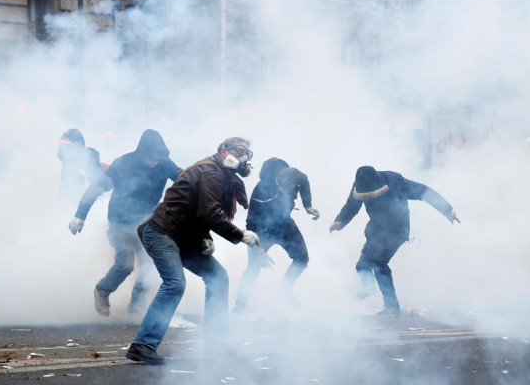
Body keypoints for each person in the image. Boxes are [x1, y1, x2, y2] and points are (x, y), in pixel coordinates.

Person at [126, 137, 260, 365]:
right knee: (175, 284)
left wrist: (204, 237)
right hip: (162, 233)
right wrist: (240, 235)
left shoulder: (220, 174)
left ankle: (215, 344)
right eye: (240, 151)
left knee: (218, 277)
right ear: (223, 150)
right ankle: (143, 345)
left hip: (183, 237)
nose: (244, 158)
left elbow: (196, 211)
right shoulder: (210, 171)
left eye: (248, 154)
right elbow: (210, 212)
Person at [69, 129, 182, 316]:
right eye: (152, 158)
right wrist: (80, 214)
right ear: (143, 153)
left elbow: (184, 178)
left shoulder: (164, 163)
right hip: (120, 223)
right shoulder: (124, 163)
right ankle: (103, 290)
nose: (155, 163)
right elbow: (97, 187)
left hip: (148, 224)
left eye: (158, 159)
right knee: (125, 264)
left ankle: (135, 309)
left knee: (150, 266)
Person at [329, 166, 459, 317]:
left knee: (378, 263)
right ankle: (368, 288)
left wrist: (447, 210)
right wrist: (340, 222)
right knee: (362, 266)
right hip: (377, 231)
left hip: (397, 230)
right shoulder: (360, 184)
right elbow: (351, 206)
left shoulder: (394, 181)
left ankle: (392, 307)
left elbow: (423, 191)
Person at [234, 158, 320, 312]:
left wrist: (308, 206)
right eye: (289, 189)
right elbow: (251, 223)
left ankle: (285, 290)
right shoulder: (262, 192)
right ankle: (239, 306)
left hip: (286, 226)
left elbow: (304, 181)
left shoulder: (295, 177)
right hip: (262, 231)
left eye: (294, 188)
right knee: (254, 267)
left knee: (302, 259)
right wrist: (258, 251)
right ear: (277, 182)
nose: (293, 193)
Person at [57, 129, 104, 202]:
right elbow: (65, 187)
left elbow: (96, 187)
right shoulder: (67, 163)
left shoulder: (89, 161)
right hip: (67, 203)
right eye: (63, 144)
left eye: (67, 144)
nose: (64, 147)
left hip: (83, 203)